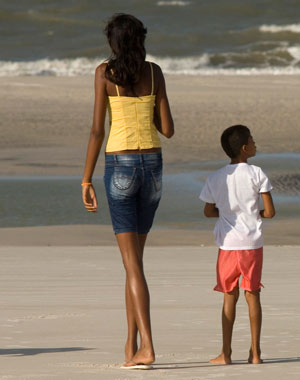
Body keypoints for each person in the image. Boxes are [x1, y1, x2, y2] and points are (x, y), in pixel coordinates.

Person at [81, 13, 174, 369]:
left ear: (113, 42)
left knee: (132, 263)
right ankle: (131, 342)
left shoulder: (105, 73)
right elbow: (167, 128)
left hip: (119, 166)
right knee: (133, 263)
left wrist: (86, 179)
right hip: (152, 166)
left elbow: (95, 131)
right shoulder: (154, 73)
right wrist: (146, 111)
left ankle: (147, 345)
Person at [200, 125, 276, 365]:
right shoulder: (257, 173)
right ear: (245, 148)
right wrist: (254, 214)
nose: (255, 144)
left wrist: (227, 214)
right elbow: (271, 212)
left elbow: (208, 211)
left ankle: (226, 353)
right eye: (253, 141)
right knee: (253, 296)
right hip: (252, 244)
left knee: (229, 297)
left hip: (228, 244)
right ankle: (255, 353)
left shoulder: (215, 177)